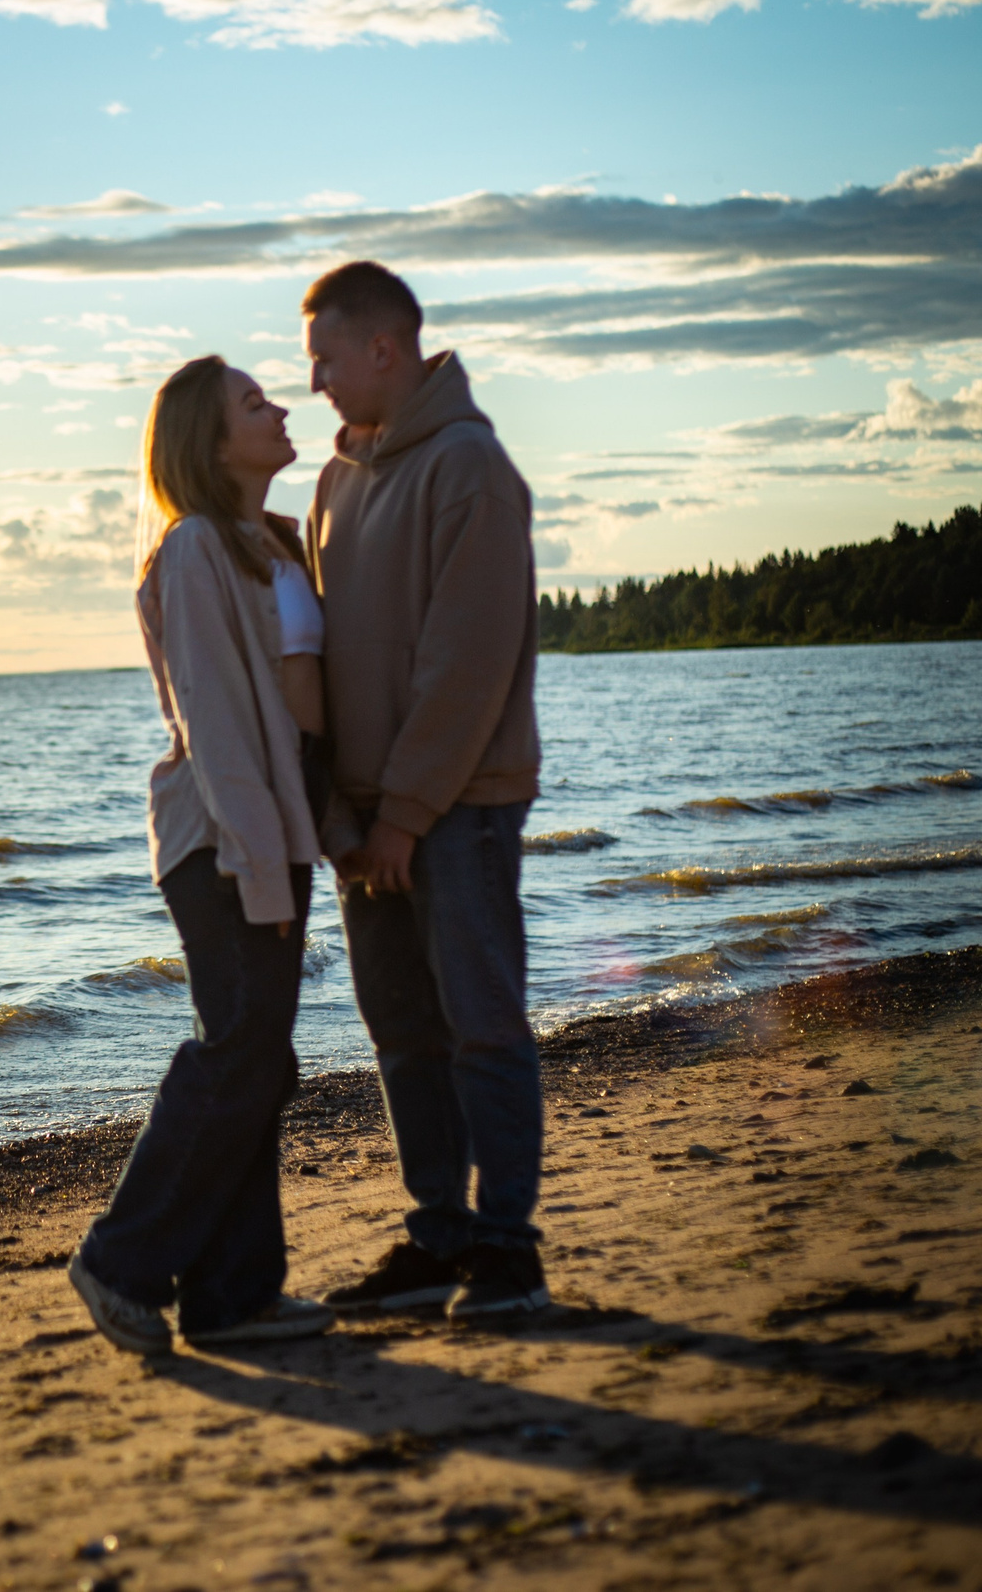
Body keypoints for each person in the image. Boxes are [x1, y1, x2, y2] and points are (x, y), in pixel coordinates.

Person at [67, 355, 338, 1356]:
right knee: (238, 1051)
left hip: (273, 827)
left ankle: (231, 1298)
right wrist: (263, 863)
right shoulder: (192, 551)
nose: (276, 409)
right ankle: (118, 1262)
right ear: (209, 441)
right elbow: (219, 727)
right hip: (222, 840)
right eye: (253, 402)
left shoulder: (263, 543)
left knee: (258, 1056)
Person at [300, 261, 551, 1320]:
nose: (311, 381)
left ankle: (506, 1252)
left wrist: (405, 813)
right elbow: (317, 653)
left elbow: (468, 659)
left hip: (460, 806)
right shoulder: (333, 480)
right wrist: (345, 816)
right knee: (401, 1037)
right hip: (369, 823)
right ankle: (437, 1236)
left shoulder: (469, 467)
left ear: (382, 349)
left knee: (481, 1027)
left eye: (322, 357)